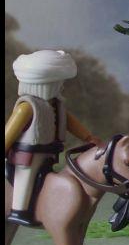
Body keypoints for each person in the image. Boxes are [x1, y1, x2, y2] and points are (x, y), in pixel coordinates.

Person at [4, 50, 102, 226]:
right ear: (45, 82)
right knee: (26, 177)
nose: (61, 86)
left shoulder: (55, 104)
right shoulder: (26, 107)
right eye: (58, 83)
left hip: (48, 152)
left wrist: (88, 137)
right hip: (28, 156)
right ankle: (18, 210)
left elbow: (70, 123)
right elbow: (9, 133)